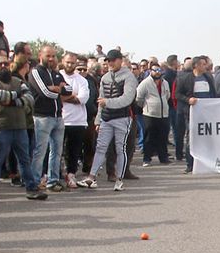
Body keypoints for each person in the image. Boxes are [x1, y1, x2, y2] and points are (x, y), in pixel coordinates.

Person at [0, 49, 48, 202]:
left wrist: (12, 100)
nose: (3, 66)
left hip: (20, 127)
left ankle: (31, 189)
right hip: (0, 128)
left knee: (24, 160)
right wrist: (18, 96)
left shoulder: (18, 82)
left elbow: (30, 99)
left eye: (5, 63)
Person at [85, 49, 134, 190]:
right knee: (100, 148)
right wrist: (98, 120)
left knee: (120, 148)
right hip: (106, 118)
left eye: (113, 60)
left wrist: (108, 103)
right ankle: (91, 177)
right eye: (108, 61)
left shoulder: (129, 77)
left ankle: (119, 180)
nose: (110, 63)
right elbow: (101, 99)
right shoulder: (105, 78)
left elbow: (127, 99)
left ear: (120, 60)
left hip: (122, 118)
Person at [26, 45, 66, 191]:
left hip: (58, 117)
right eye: (48, 56)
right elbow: (44, 93)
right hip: (42, 117)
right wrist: (56, 90)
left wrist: (56, 88)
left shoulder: (56, 73)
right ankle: (35, 181)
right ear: (40, 56)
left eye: (53, 56)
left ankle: (53, 180)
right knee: (40, 151)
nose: (51, 59)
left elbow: (67, 90)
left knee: (57, 151)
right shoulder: (35, 72)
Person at [61, 54, 91, 187]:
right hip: (60, 120)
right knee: (56, 151)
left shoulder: (82, 80)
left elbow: (82, 99)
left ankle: (71, 174)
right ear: (63, 62)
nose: (70, 65)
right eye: (67, 62)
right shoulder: (57, 76)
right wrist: (72, 97)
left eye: (73, 63)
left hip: (78, 121)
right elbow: (54, 95)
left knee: (74, 151)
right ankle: (53, 175)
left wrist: (63, 97)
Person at [137, 63, 172, 162]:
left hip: (163, 113)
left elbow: (167, 95)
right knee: (149, 137)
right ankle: (147, 158)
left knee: (163, 137)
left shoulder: (165, 82)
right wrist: (148, 106)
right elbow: (139, 98)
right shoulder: (145, 83)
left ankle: (163, 158)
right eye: (155, 70)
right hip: (150, 114)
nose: (157, 72)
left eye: (159, 70)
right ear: (150, 71)